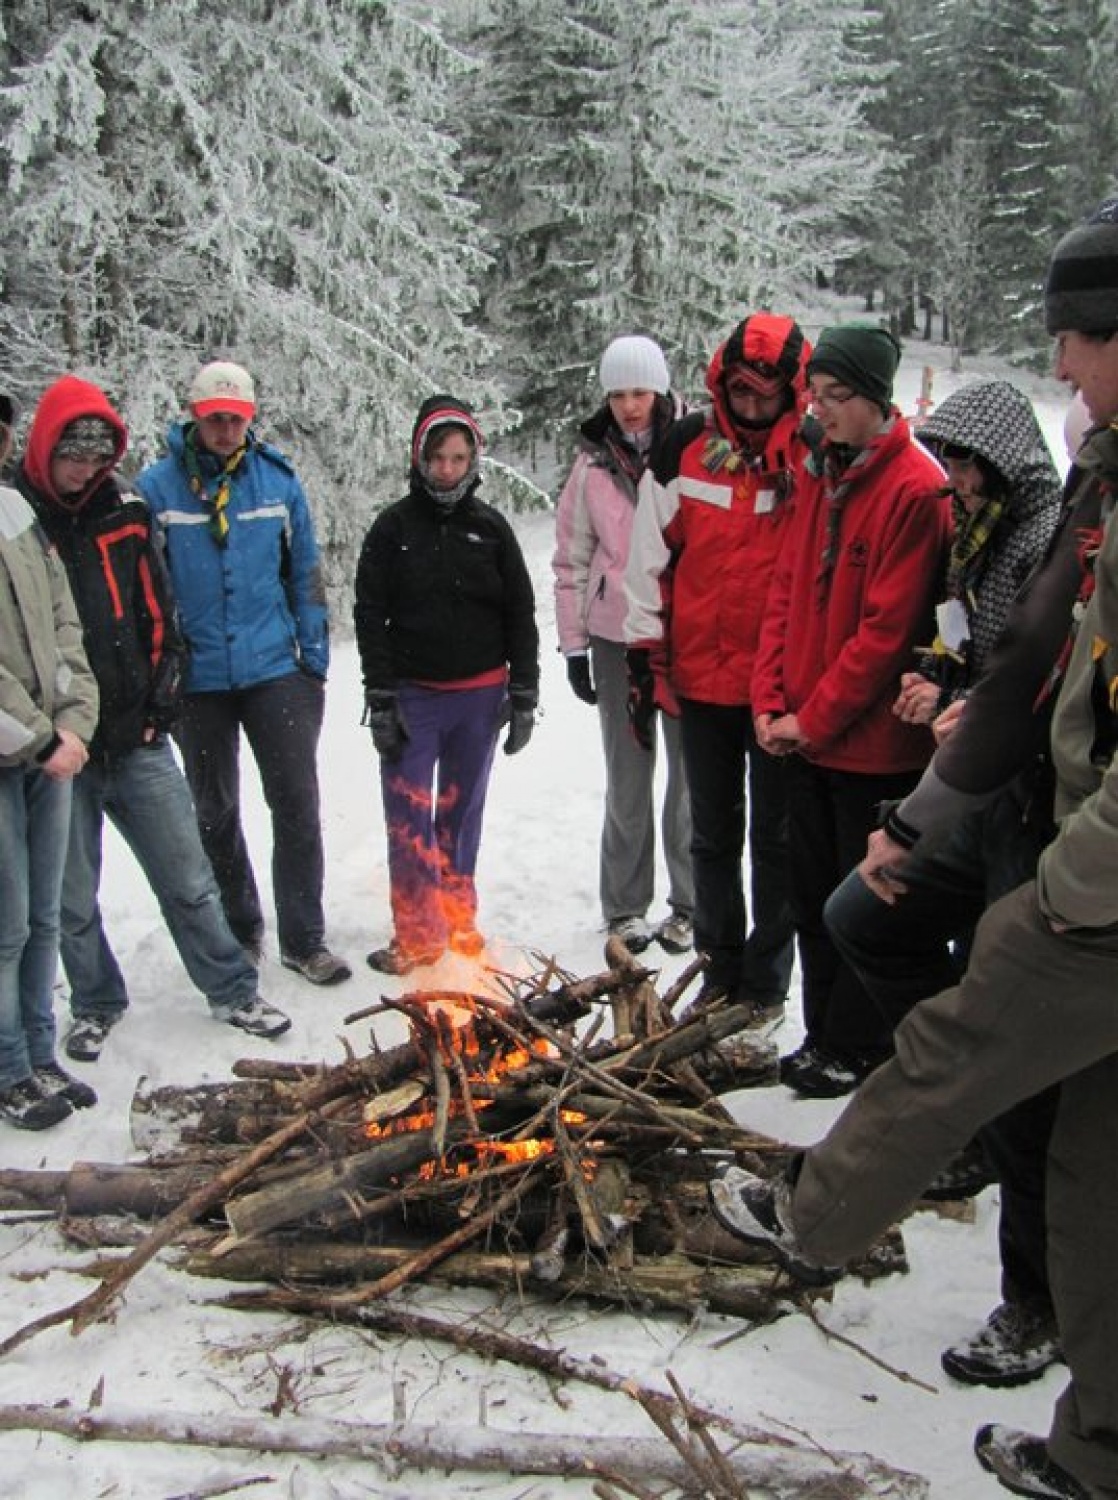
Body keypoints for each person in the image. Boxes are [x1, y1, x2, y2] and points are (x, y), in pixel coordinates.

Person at [709, 200, 1118, 1500]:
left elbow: (930, 642)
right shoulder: (1096, 484)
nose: (1060, 365)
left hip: (1088, 877)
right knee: (1092, 1163)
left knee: (951, 1037)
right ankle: (1098, 1449)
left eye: (1074, 339)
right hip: (1013, 819)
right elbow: (1003, 672)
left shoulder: (933, 493)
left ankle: (810, 1218)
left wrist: (1055, 884)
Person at [823, 379, 1065, 1387]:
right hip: (978, 792)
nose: (956, 482)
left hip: (1043, 808)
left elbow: (1041, 672)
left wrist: (980, 704)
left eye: (969, 465)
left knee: (1009, 1041)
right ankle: (957, 1109)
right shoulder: (975, 535)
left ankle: (1034, 1302)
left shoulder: (1054, 538)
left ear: (1007, 462)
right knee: (862, 916)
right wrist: (939, 676)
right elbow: (961, 635)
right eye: (951, 464)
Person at [16, 376, 291, 1063]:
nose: (82, 470)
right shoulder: (16, 518)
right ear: (45, 448)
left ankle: (231, 987)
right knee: (71, 898)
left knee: (188, 875)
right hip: (58, 748)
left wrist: (160, 703)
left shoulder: (127, 509)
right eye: (71, 455)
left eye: (95, 456)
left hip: (136, 735)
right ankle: (96, 1001)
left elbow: (159, 614)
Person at [751, 325, 951, 1097]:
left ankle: (859, 1048)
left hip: (871, 751)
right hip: (806, 742)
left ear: (876, 401)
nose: (819, 411)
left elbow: (885, 635)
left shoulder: (913, 490)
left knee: (858, 907)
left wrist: (814, 718)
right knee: (809, 900)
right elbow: (783, 595)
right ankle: (822, 1035)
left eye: (837, 398)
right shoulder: (817, 475)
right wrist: (769, 702)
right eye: (815, 396)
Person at [625, 313, 816, 1022]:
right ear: (722, 386)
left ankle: (766, 983)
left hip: (777, 688)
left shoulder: (811, 456)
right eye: (742, 394)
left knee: (776, 839)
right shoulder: (685, 448)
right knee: (710, 834)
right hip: (701, 678)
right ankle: (718, 966)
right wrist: (645, 658)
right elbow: (647, 558)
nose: (754, 408)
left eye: (768, 397)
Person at [137, 361, 350, 986]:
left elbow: (304, 572)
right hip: (197, 677)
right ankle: (240, 925)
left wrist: (312, 662)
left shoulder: (276, 483)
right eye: (215, 418)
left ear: (249, 419)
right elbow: (147, 586)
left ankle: (304, 937)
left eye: (236, 418)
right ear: (195, 418)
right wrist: (162, 671)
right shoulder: (157, 490)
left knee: (296, 801)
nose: (226, 429)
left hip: (273, 670)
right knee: (213, 810)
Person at [354, 396, 539, 975]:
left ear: (474, 459)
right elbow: (369, 613)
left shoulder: (490, 529)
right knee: (409, 818)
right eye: (437, 457)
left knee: (460, 815)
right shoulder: (392, 528)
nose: (448, 470)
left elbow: (520, 613)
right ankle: (416, 933)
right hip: (414, 698)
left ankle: (457, 922)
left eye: (459, 458)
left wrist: (525, 694)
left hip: (480, 699)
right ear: (418, 456)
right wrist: (381, 696)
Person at [553, 334, 693, 956]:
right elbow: (571, 559)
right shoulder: (590, 464)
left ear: (660, 390)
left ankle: (689, 904)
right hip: (616, 641)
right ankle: (624, 908)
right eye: (617, 394)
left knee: (690, 780)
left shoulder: (694, 451)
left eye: (639, 392)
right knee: (628, 778)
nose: (629, 406)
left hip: (686, 636)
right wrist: (574, 646)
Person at [0, 390, 100, 1129]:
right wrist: (38, 736)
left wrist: (73, 723)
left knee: (41, 917)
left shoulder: (20, 518)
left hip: (50, 753)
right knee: (5, 923)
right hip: (16, 753)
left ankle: (38, 1052)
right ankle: (7, 1066)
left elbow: (67, 629)